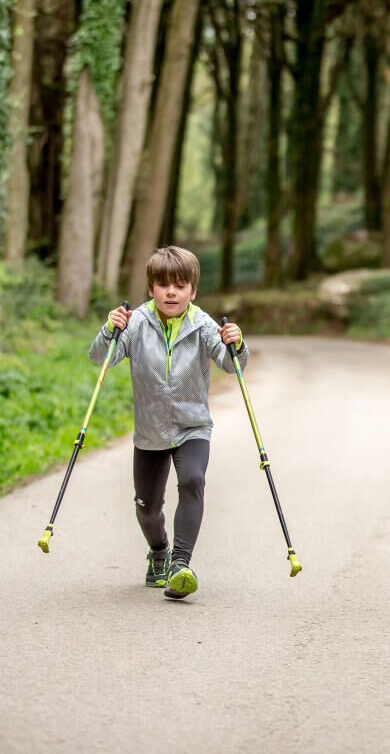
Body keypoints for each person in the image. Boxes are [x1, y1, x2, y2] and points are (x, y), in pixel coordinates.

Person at [90, 245, 247, 599]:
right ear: (151, 289)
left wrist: (236, 344)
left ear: (193, 291)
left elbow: (229, 362)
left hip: (193, 426)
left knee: (192, 481)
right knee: (147, 507)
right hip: (150, 432)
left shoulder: (202, 324)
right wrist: (108, 330)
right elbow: (103, 357)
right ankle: (159, 551)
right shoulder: (136, 324)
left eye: (180, 285)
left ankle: (180, 564)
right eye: (163, 285)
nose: (171, 292)